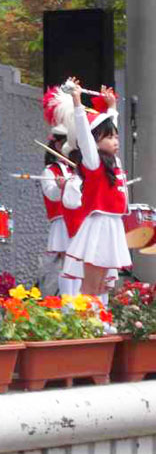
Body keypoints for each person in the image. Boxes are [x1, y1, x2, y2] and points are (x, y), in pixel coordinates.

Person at [60, 81, 130, 303]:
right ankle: (86, 325)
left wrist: (112, 108)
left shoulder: (114, 161)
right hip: (98, 224)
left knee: (102, 284)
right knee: (91, 284)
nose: (115, 140)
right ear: (96, 140)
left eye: (116, 136)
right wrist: (77, 102)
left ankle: (100, 321)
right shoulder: (93, 161)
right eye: (110, 137)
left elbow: (109, 125)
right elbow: (85, 133)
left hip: (113, 224)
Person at [39, 124, 77, 296]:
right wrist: (61, 187)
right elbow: (52, 195)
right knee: (67, 263)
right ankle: (68, 303)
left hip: (81, 219)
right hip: (63, 220)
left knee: (80, 263)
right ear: (56, 146)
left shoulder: (79, 168)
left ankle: (79, 301)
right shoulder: (50, 170)